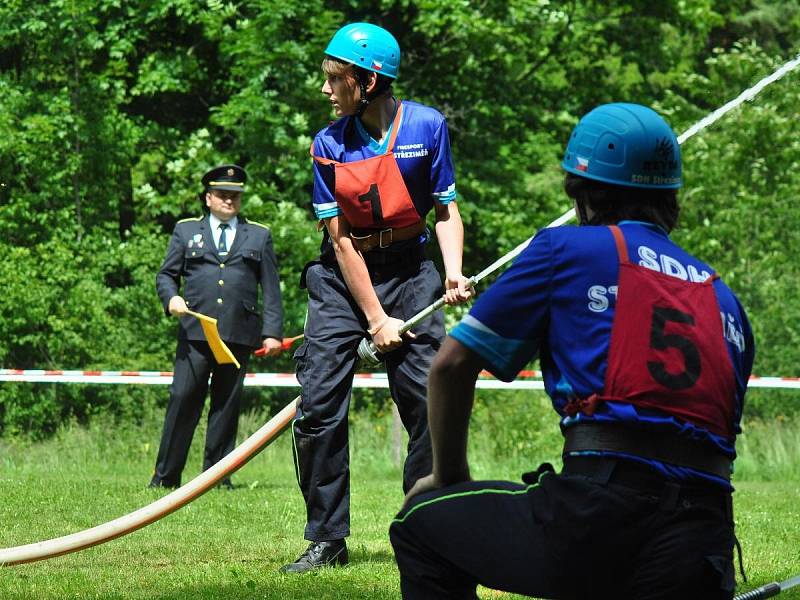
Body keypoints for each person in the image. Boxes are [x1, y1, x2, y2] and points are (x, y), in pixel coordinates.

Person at [390, 103, 755, 599]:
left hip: (598, 514)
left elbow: (451, 365)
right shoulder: (723, 297)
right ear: (671, 196)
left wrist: (449, 478)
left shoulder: (564, 250)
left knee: (420, 524)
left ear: (579, 191)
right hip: (705, 541)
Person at [281, 23, 472, 573]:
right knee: (317, 410)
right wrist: (376, 320)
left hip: (412, 272)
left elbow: (446, 210)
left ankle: (424, 526)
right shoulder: (327, 144)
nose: (326, 90)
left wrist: (453, 273)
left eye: (335, 79)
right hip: (344, 280)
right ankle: (326, 538)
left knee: (432, 405)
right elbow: (340, 242)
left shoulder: (427, 127)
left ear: (368, 82)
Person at [150, 164, 284, 490]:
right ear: (208, 197)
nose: (229, 201)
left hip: (239, 334)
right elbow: (166, 275)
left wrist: (272, 332)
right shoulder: (185, 231)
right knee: (183, 399)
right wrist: (171, 299)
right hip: (196, 334)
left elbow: (271, 287)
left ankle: (216, 478)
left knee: (226, 405)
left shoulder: (259, 234)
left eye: (235, 196)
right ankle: (165, 477)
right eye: (223, 195)